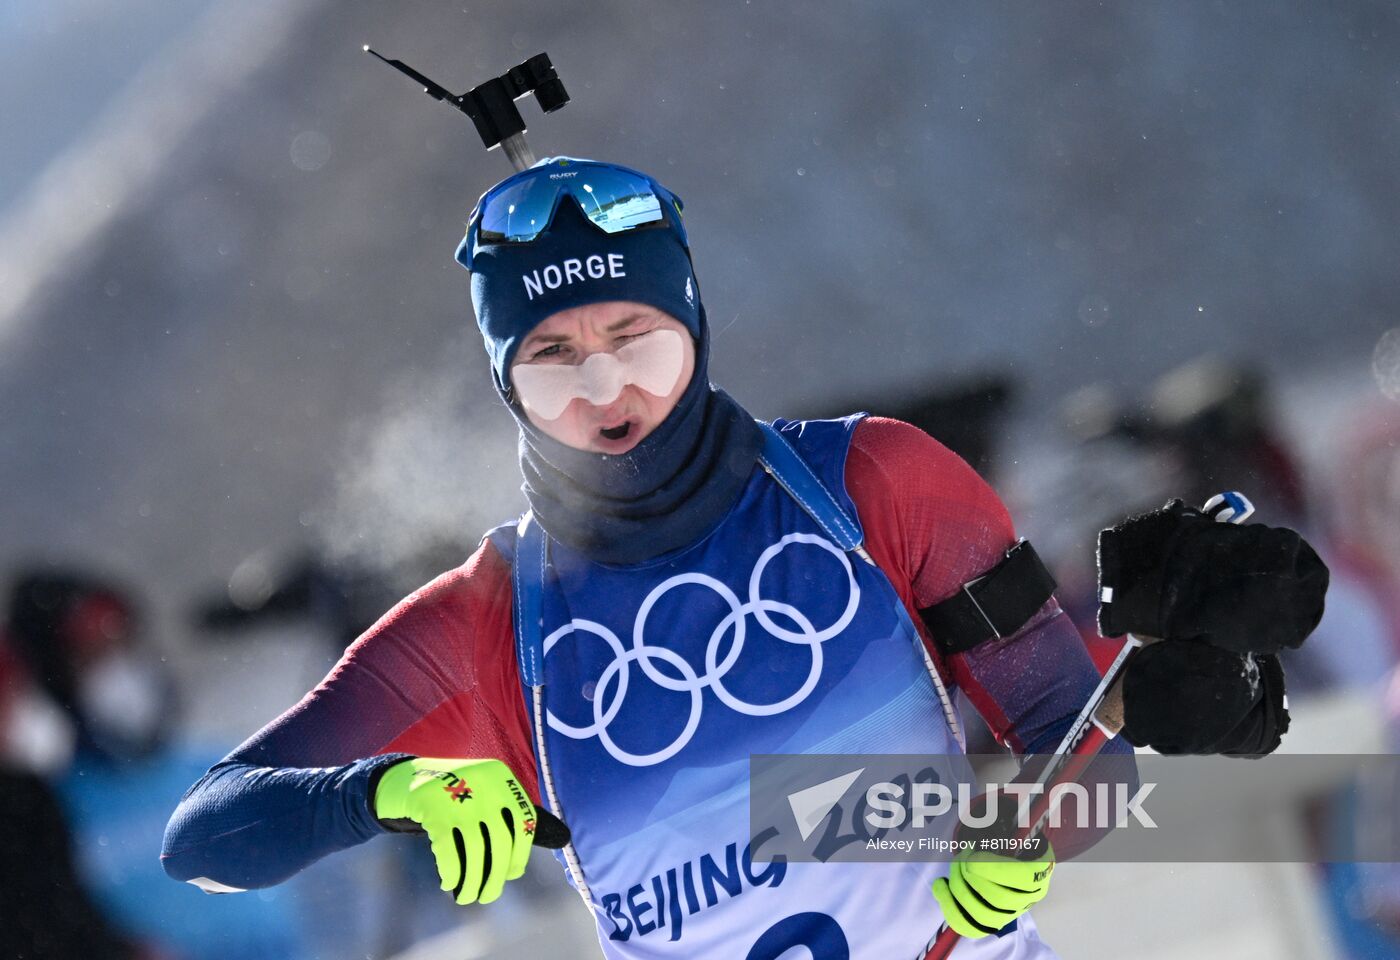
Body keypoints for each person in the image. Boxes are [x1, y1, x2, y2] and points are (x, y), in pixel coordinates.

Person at [162, 157, 1318, 958]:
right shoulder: (484, 621)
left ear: (693, 323)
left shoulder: (874, 481)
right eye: (553, 359)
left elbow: (1079, 751)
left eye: (634, 338)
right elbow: (206, 835)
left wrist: (1003, 832)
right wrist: (385, 788)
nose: (606, 392)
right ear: (504, 382)